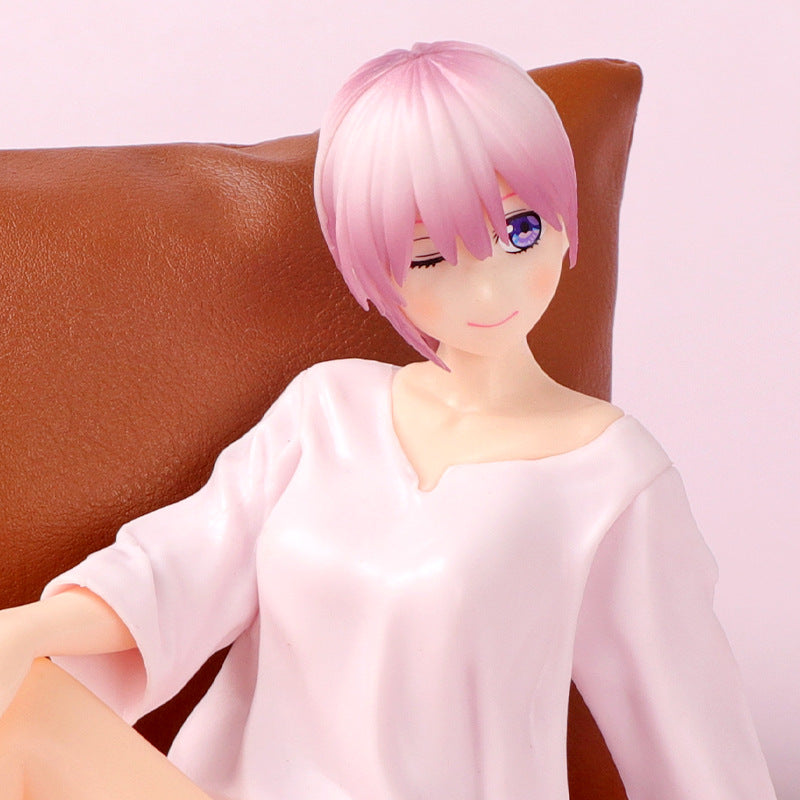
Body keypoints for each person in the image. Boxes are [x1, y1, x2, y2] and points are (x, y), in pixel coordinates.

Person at [0, 41, 777, 800]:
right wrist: (27, 630)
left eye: (520, 231)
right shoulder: (328, 409)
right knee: (18, 709)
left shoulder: (614, 478)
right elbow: (173, 570)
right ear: (376, 269)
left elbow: (689, 729)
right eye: (430, 257)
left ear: (566, 218)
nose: (488, 290)